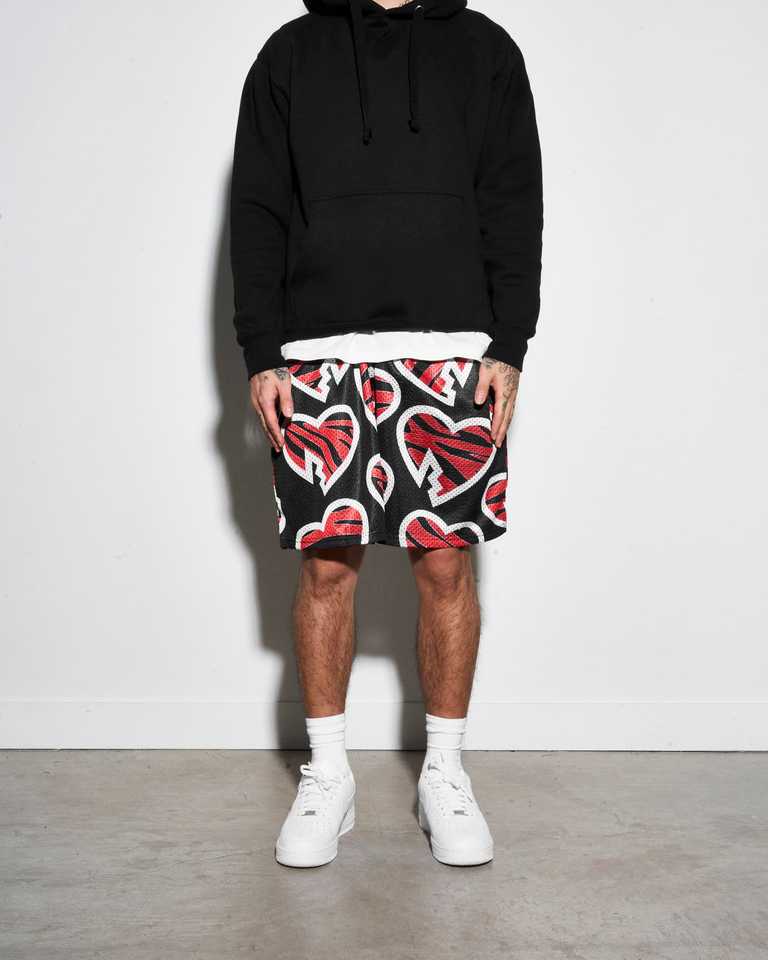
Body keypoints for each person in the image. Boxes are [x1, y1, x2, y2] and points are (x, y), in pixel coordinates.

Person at [230, 0, 542, 868]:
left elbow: (514, 198)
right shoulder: (291, 53)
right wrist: (261, 350)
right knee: (326, 565)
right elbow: (257, 206)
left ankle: (445, 771)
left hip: (453, 351)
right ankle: (328, 775)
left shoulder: (483, 49)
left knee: (445, 563)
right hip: (316, 352)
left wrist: (509, 344)